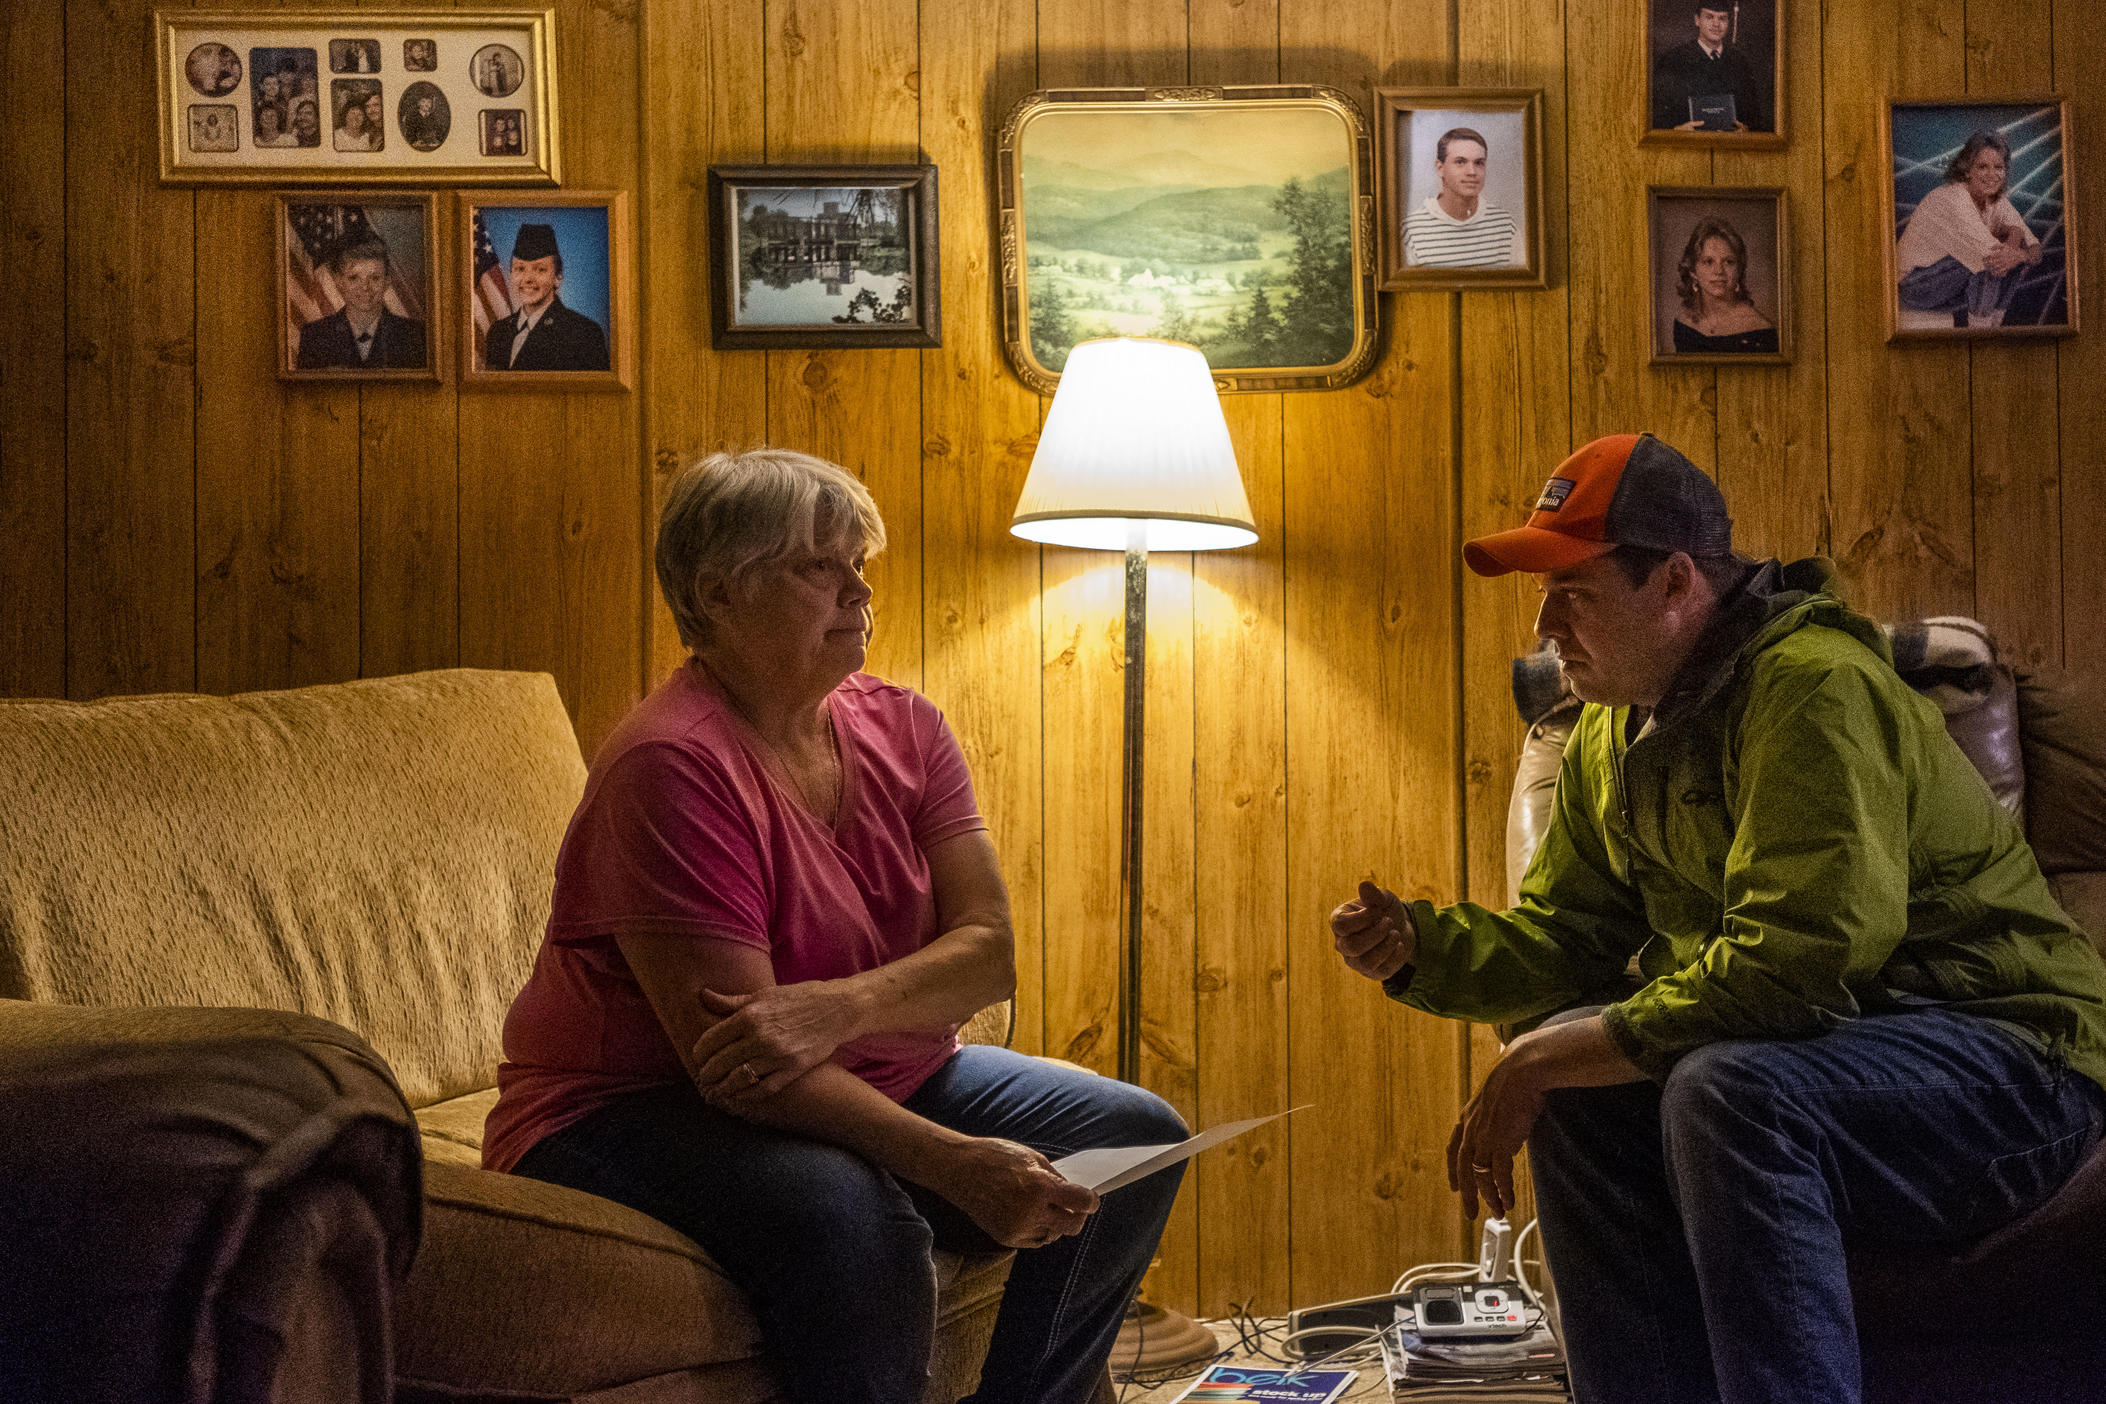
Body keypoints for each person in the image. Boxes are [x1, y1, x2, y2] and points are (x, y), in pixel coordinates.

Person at [1329, 432, 2106, 1404]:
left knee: (1726, 1089)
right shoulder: (1611, 729)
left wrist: (1539, 1055)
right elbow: (1570, 936)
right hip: (1836, 1056)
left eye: (1572, 589)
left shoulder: (1814, 688)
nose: (1543, 622)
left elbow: (1795, 966)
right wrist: (1422, 947)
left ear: (1676, 583)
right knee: (1602, 1094)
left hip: (2013, 1062)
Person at [484, 450, 1187, 1404]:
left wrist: (834, 1012)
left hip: (857, 1067)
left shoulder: (908, 727)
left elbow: (990, 953)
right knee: (858, 1221)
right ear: (717, 593)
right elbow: (745, 1066)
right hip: (630, 1106)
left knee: (1133, 1138)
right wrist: (954, 1162)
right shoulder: (673, 765)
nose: (860, 591)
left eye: (860, 563)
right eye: (821, 566)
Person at [1896, 129, 2043, 329]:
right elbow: (1997, 257)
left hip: (1946, 287)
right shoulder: (1954, 200)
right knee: (1990, 261)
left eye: (1998, 167)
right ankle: (1981, 335)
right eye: (1982, 167)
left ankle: (1994, 326)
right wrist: (2015, 241)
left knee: (2009, 258)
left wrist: (2016, 240)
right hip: (1911, 288)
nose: (1992, 175)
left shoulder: (1996, 201)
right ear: (1967, 170)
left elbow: (2035, 249)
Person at [483, 223, 610, 370]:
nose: (528, 278)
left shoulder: (584, 334)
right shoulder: (498, 332)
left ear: (557, 277)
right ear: (511, 273)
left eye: (540, 269)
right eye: (520, 268)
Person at [295, 238, 426, 370]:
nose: (365, 287)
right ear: (338, 281)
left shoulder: (415, 336)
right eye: (353, 278)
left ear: (387, 281)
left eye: (375, 278)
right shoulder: (314, 337)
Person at [1402, 127, 1521, 269]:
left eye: (1479, 163)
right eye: (1460, 162)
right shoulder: (1412, 231)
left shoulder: (1505, 226)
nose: (1472, 172)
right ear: (1440, 168)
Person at [1652, 2, 1770, 132]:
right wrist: (1676, 130)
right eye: (1710, 17)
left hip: (1730, 147)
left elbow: (1753, 114)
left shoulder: (1739, 62)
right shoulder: (1673, 60)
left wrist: (1746, 128)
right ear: (1697, 20)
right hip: (1688, 146)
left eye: (1722, 18)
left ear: (1728, 23)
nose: (1716, 24)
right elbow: (1657, 113)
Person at [1669, 216, 1777, 353]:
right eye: (1708, 261)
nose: (1719, 271)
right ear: (1692, 271)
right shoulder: (1684, 324)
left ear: (1739, 270)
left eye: (1728, 262)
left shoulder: (1762, 331)